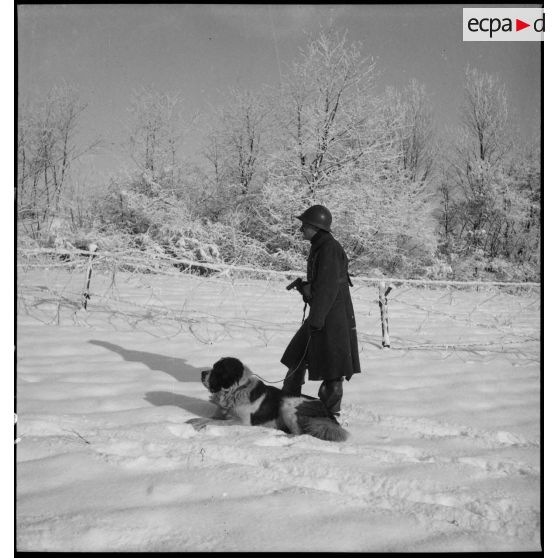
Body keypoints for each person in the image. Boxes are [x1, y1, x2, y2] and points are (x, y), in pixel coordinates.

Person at [281, 204, 361, 417]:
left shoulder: (329, 248)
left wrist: (316, 318)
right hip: (324, 313)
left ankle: (330, 415)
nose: (301, 229)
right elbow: (324, 283)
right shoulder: (321, 245)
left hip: (331, 316)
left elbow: (328, 287)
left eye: (304, 225)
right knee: (296, 355)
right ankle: (288, 405)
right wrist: (307, 287)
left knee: (333, 367)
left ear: (316, 226)